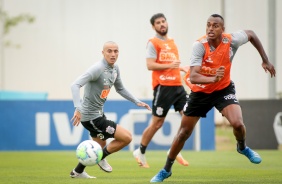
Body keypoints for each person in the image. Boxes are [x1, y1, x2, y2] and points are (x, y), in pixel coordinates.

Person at [150, 14, 276, 182]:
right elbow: (193, 77)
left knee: (238, 123)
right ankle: (166, 169)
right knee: (183, 133)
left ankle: (242, 147)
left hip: (223, 89)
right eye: (208, 25)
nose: (210, 28)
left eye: (215, 26)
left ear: (222, 29)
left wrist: (265, 60)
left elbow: (251, 34)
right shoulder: (199, 46)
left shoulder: (232, 40)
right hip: (200, 93)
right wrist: (213, 78)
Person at [69, 41, 151, 179]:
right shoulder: (97, 68)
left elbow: (120, 89)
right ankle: (101, 158)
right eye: (109, 51)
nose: (113, 54)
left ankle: (77, 172)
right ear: (103, 52)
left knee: (99, 145)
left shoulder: (115, 69)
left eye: (116, 51)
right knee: (127, 137)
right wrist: (77, 108)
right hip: (91, 117)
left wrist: (136, 101)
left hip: (97, 114)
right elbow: (75, 85)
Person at [133, 13, 189, 168]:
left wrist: (181, 68)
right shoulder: (153, 43)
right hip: (163, 88)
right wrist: (170, 65)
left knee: (188, 119)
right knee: (157, 124)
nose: (162, 24)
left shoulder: (172, 42)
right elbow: (150, 65)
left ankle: (174, 149)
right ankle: (140, 151)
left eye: (163, 21)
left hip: (178, 87)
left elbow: (174, 65)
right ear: (153, 26)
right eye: (158, 23)